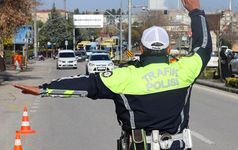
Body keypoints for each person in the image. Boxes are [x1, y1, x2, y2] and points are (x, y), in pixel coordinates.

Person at [13, 0, 212, 149]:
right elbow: (203, 46)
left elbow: (85, 84)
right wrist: (195, 11)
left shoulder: (123, 76)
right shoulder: (185, 69)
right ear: (169, 50)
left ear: (141, 49)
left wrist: (44, 90)